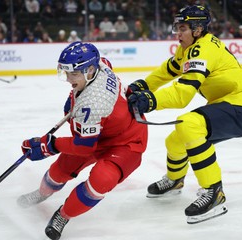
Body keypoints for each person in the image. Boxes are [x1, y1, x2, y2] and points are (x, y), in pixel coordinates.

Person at [127, 5, 242, 224]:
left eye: (182, 28)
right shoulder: (188, 49)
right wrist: (140, 86)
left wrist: (150, 100)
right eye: (177, 27)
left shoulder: (203, 49)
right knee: (175, 140)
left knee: (189, 123)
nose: (177, 33)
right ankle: (175, 180)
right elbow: (167, 71)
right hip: (230, 102)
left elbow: (182, 94)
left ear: (198, 29)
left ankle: (214, 192)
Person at [17, 41, 147, 240]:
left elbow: (84, 147)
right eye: (66, 73)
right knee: (60, 170)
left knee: (102, 179)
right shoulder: (100, 64)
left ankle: (63, 215)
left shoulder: (94, 102)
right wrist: (74, 98)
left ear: (90, 70)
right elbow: (107, 62)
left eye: (74, 74)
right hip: (100, 130)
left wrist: (49, 145)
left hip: (126, 141)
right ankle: (42, 193)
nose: (69, 79)